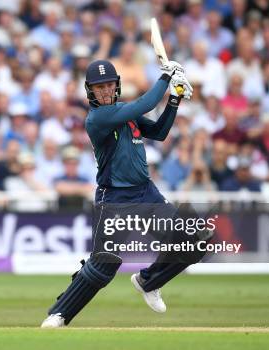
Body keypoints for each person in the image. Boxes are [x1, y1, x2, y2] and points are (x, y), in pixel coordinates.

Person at [41, 58, 196, 328]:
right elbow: (145, 103)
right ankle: (60, 314)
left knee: (193, 239)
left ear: (116, 86)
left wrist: (175, 98)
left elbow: (159, 133)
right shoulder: (97, 118)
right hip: (115, 198)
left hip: (146, 193)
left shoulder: (125, 111)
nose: (105, 91)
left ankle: (149, 281)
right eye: (99, 87)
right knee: (104, 266)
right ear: (90, 91)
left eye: (109, 85)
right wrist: (165, 78)